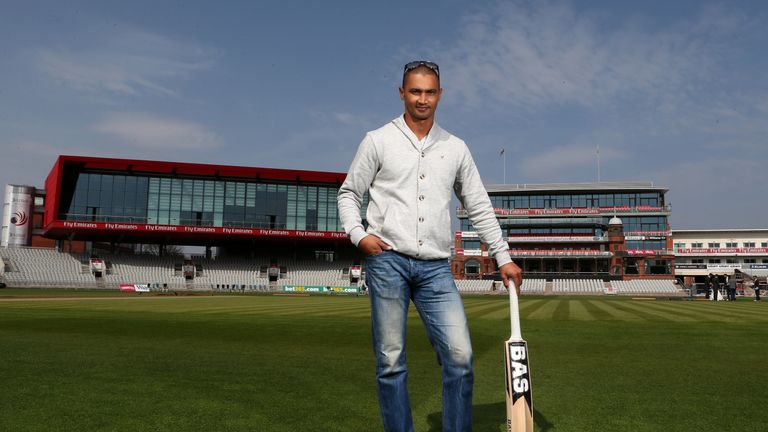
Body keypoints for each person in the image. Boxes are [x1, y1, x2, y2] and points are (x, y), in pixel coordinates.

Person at [338, 60, 523, 432]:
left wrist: (502, 256)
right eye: (415, 91)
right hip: (387, 260)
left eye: (430, 92)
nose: (423, 99)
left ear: (440, 95)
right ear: (402, 93)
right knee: (391, 362)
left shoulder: (455, 148)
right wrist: (359, 236)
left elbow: (479, 204)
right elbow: (349, 193)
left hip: (436, 267)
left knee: (461, 357)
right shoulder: (377, 140)